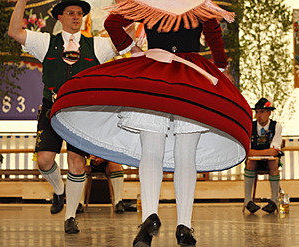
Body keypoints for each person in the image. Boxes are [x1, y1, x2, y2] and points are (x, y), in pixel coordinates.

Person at [50, 0, 252, 245]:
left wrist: (133, 49)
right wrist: (219, 69)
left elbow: (112, 22)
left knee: (151, 150)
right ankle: (184, 227)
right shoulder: (200, 5)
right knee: (186, 154)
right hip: (192, 76)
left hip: (154, 71)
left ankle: (149, 218)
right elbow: (214, 37)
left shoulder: (148, 2)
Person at [8, 0, 116, 234]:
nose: (76, 17)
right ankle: (59, 191)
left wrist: (127, 10)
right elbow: (14, 31)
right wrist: (21, 2)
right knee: (45, 160)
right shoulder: (45, 42)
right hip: (51, 108)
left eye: (80, 14)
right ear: (60, 17)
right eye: (71, 13)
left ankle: (70, 216)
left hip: (80, 112)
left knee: (77, 163)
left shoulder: (97, 45)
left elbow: (125, 41)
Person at [244, 97, 283, 214]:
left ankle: (274, 201)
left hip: (269, 161)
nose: (258, 115)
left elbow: (274, 151)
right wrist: (265, 152)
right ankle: (247, 200)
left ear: (269, 113)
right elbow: (248, 151)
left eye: (261, 112)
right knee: (251, 161)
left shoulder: (276, 126)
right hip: (254, 161)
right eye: (257, 112)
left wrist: (256, 152)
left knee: (274, 162)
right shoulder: (250, 126)